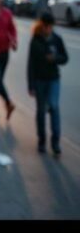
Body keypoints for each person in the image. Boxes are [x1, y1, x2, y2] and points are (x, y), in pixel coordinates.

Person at [28, 11, 68, 155]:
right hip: (39, 79)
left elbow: (65, 58)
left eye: (50, 27)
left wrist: (55, 58)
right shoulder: (36, 40)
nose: (47, 29)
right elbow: (31, 64)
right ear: (41, 26)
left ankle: (55, 141)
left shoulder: (57, 39)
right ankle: (42, 140)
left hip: (53, 79)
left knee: (54, 106)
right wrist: (31, 85)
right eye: (45, 26)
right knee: (40, 110)